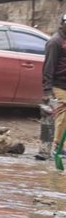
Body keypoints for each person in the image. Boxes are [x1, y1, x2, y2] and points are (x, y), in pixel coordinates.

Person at [42, 13, 66, 153]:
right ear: (62, 24)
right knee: (63, 113)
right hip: (59, 84)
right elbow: (48, 67)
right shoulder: (55, 42)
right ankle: (58, 146)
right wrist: (47, 89)